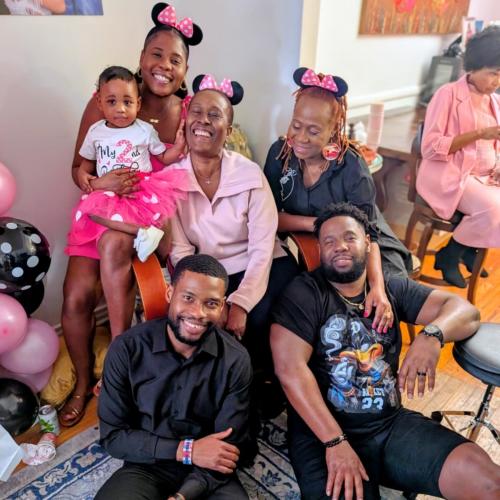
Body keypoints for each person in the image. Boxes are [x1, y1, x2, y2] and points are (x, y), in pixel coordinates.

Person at [270, 202, 500, 500]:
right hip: (323, 434)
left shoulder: (390, 289)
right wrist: (335, 442)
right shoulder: (303, 293)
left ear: (368, 242)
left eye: (349, 237)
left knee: (489, 482)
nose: (340, 246)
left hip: (389, 425)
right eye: (329, 241)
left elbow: (466, 312)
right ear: (320, 249)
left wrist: (432, 335)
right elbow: (290, 371)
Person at [59, 2, 203, 427]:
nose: (164, 66)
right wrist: (98, 183)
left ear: (185, 69)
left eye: (175, 60)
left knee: (118, 245)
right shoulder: (108, 99)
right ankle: (82, 382)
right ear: (141, 58)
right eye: (156, 54)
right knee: (76, 296)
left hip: (146, 218)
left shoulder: (185, 111)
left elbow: (196, 162)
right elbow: (78, 168)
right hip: (101, 208)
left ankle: (119, 366)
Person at [170, 74, 299, 393]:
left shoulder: (249, 174)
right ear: (186, 121)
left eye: (214, 115)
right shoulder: (171, 179)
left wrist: (239, 303)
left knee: (264, 316)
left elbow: (262, 248)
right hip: (209, 272)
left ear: (228, 130)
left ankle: (265, 387)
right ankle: (223, 393)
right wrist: (210, 296)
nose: (203, 120)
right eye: (197, 112)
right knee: (203, 324)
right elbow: (181, 251)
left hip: (263, 265)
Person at [264, 67, 413, 335]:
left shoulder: (351, 166)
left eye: (313, 131)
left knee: (382, 297)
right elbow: (268, 216)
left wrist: (377, 286)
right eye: (296, 126)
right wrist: (318, 224)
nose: (301, 137)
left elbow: (368, 234)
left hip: (366, 243)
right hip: (316, 243)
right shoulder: (280, 154)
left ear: (333, 131)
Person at [96, 254, 253, 500]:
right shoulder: (126, 349)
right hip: (147, 463)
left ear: (222, 306)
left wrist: (182, 496)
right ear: (170, 294)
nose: (197, 313)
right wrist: (186, 450)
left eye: (211, 303)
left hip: (208, 470)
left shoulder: (235, 360)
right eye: (188, 298)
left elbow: (227, 449)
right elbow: (113, 437)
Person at [67, 65, 187, 264]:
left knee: (160, 215)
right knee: (91, 212)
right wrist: (83, 175)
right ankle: (142, 232)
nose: (120, 109)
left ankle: (159, 256)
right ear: (100, 103)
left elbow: (164, 156)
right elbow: (87, 163)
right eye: (111, 102)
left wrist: (179, 146)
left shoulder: (144, 130)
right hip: (108, 191)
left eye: (127, 102)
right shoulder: (96, 132)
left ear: (137, 104)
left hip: (139, 187)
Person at [417, 26, 500, 288]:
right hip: (450, 174)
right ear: (474, 66)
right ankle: (450, 253)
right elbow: (430, 147)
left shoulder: (495, 101)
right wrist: (480, 133)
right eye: (493, 73)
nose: (497, 81)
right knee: (493, 208)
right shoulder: (448, 95)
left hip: (483, 176)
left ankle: (470, 249)